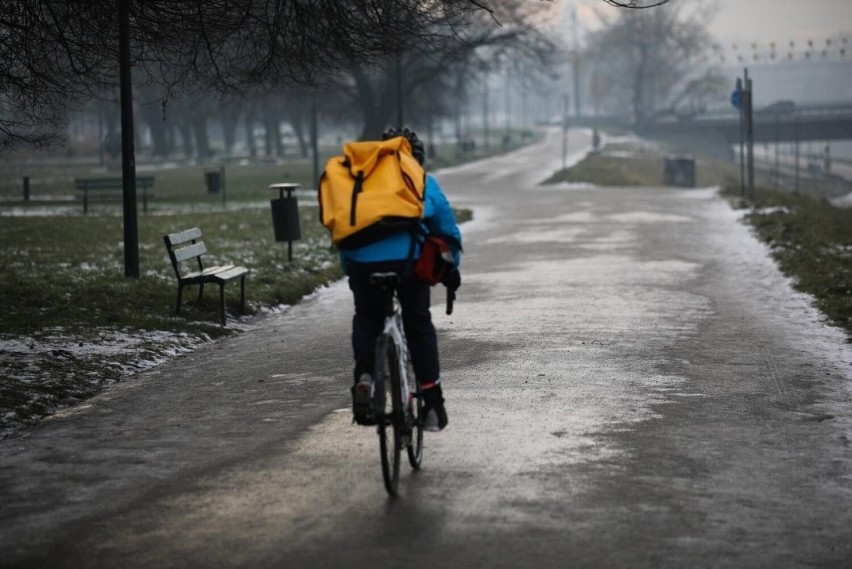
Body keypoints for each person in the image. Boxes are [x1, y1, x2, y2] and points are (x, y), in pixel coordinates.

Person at [341, 127, 462, 432]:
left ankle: (366, 377)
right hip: (407, 262)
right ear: (416, 158)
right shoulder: (421, 178)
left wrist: (352, 269)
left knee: (368, 316)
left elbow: (345, 231)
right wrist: (451, 268)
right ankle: (432, 403)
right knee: (417, 322)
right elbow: (446, 229)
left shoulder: (361, 181)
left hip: (362, 264)